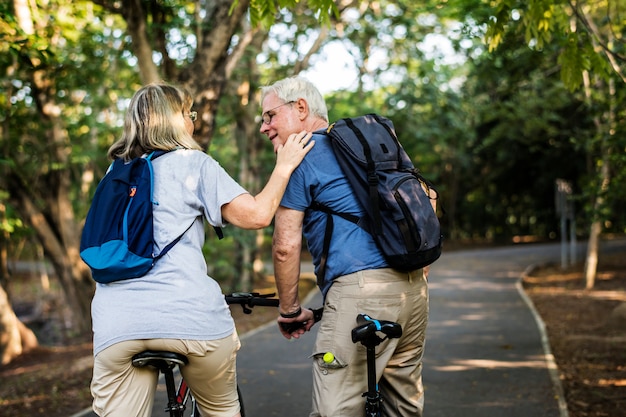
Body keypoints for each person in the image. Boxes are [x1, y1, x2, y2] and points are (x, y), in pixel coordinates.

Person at [89, 82, 314, 417]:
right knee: (221, 409)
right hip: (190, 321)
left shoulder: (114, 173)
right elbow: (257, 216)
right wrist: (284, 165)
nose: (193, 121)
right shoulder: (193, 164)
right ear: (178, 120)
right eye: (189, 114)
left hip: (116, 326)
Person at [259, 76, 430, 417]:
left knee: (334, 410)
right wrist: (419, 270)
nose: (264, 127)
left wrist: (291, 310)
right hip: (412, 294)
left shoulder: (300, 158)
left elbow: (285, 246)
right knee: (404, 409)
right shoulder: (369, 150)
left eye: (269, 116)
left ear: (301, 108)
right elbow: (428, 197)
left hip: (358, 296)